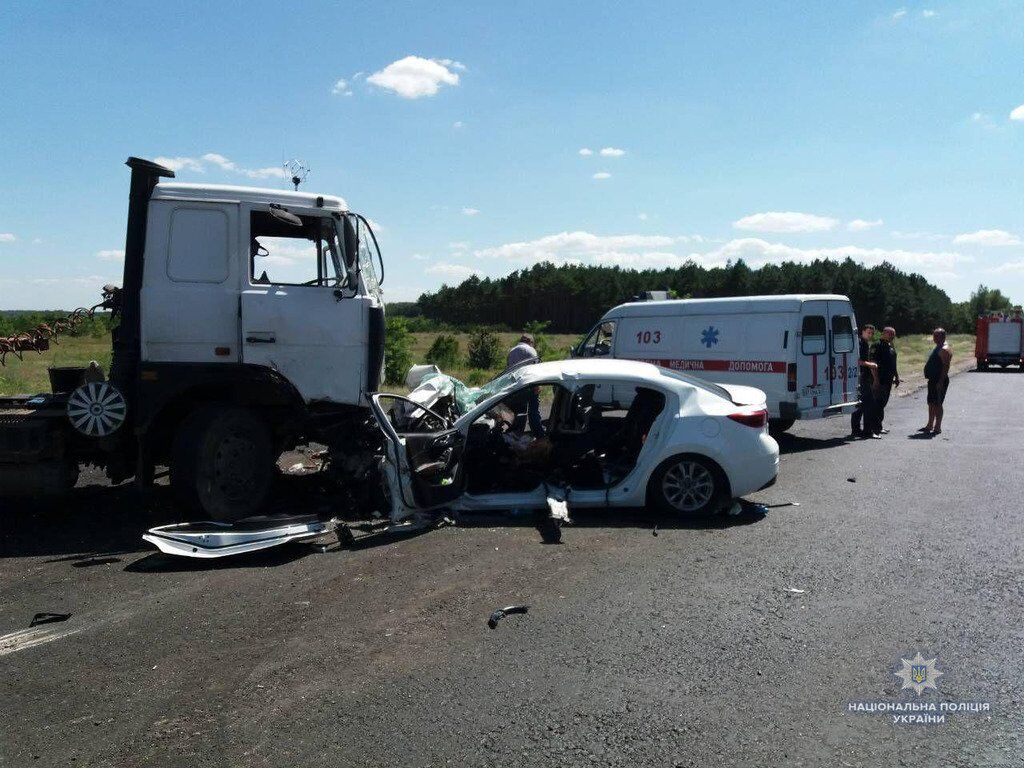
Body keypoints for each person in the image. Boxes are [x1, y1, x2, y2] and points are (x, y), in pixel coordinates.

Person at [505, 333, 544, 436]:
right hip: (529, 386)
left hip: (514, 386)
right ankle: (539, 434)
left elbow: (508, 370)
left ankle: (515, 433)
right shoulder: (531, 350)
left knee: (517, 412)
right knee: (533, 412)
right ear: (530, 342)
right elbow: (536, 370)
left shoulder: (512, 351)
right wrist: (537, 386)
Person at [850, 324, 881, 438]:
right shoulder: (860, 343)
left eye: (872, 333)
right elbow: (857, 361)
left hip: (862, 376)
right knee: (869, 404)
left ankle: (856, 430)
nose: (870, 335)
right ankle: (867, 431)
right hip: (861, 376)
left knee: (860, 405)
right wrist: (871, 364)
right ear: (862, 331)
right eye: (868, 332)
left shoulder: (864, 343)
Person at [922, 327, 952, 435]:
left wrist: (940, 381)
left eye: (937, 336)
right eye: (934, 335)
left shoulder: (944, 349)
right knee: (931, 402)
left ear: (943, 337)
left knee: (938, 403)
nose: (934, 337)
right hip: (933, 379)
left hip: (939, 380)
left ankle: (937, 427)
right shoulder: (938, 347)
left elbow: (946, 366)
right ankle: (929, 425)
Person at [872, 326, 901, 434]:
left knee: (883, 403)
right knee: (878, 403)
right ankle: (874, 427)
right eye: (890, 334)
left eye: (893, 334)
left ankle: (879, 426)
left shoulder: (891, 346)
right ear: (883, 333)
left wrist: (897, 376)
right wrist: (876, 380)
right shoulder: (877, 345)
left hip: (888, 380)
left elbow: (893, 363)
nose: (892, 336)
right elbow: (873, 364)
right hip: (880, 380)